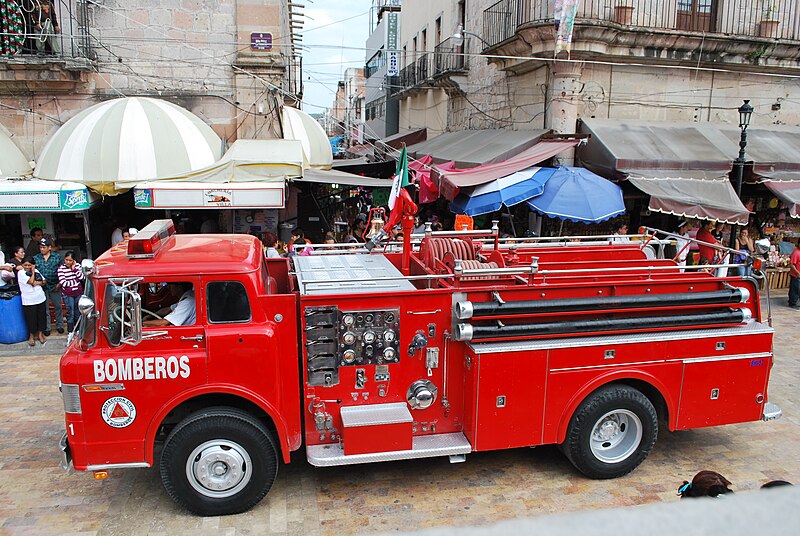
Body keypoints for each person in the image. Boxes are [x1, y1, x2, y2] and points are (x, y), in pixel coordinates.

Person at [34, 238, 63, 335]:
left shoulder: (57, 257)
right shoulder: (36, 258)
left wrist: (60, 283)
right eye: (40, 247)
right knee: (45, 308)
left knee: (58, 306)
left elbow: (62, 270)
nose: (42, 249)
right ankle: (47, 327)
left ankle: (60, 325)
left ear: (49, 247)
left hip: (55, 285)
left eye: (44, 247)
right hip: (42, 287)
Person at [17, 257, 47, 346]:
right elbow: (30, 281)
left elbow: (44, 281)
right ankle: (31, 336)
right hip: (28, 300)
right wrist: (33, 272)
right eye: (25, 265)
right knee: (30, 318)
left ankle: (40, 334)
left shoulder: (37, 270)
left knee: (41, 317)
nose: (27, 267)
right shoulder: (21, 273)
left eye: (29, 265)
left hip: (40, 297)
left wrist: (37, 283)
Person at [57, 251, 84, 332]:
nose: (68, 262)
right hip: (68, 294)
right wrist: (76, 281)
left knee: (78, 312)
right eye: (66, 260)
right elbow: (63, 283)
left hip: (78, 293)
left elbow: (82, 277)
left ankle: (78, 330)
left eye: (70, 260)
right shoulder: (61, 269)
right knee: (70, 313)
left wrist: (74, 269)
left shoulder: (78, 266)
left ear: (74, 260)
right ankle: (70, 331)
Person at [788, 239, 800, 310]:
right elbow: (792, 265)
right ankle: (792, 303)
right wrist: (797, 273)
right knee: (795, 289)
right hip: (796, 275)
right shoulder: (796, 253)